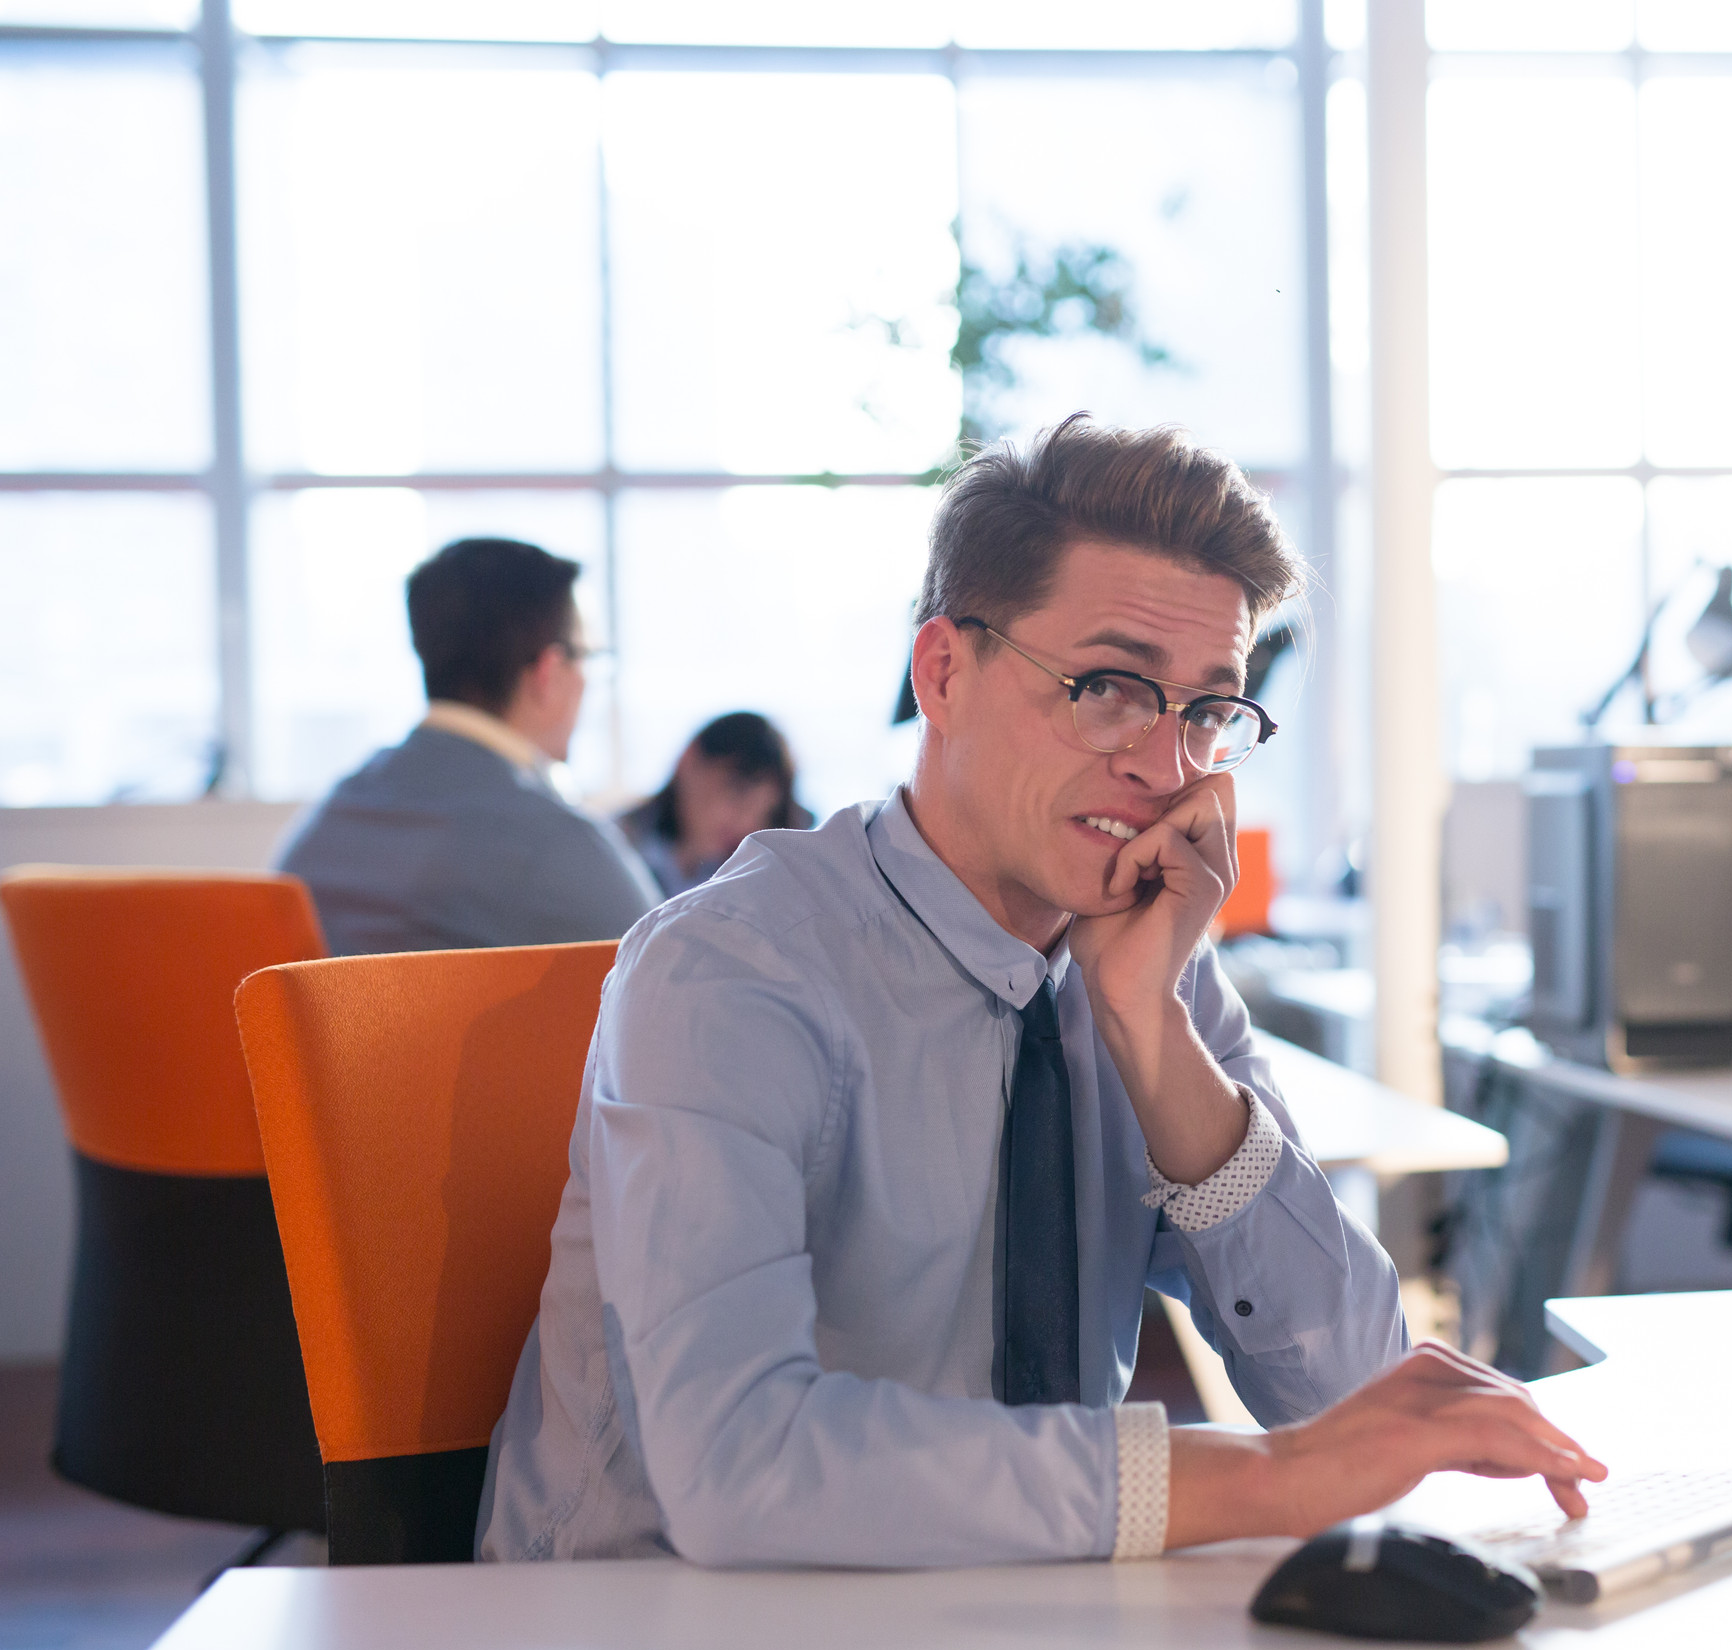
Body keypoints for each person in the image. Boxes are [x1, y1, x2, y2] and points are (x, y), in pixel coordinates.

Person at [478, 416, 1604, 1567]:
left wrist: (1153, 1035)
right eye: (1109, 687)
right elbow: (740, 1464)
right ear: (943, 673)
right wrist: (1267, 1479)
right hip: (652, 1624)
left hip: (1001, 1612)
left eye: (1209, 711)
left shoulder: (1144, 962)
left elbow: (1352, 1380)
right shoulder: (732, 969)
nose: (1167, 768)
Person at [277, 537, 660, 954]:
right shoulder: (557, 843)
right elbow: (668, 984)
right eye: (586, 658)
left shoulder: (331, 819)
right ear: (548, 672)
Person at [617, 712, 813, 900]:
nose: (747, 823)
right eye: (738, 794)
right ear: (689, 760)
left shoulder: (769, 877)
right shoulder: (613, 845)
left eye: (765, 812)